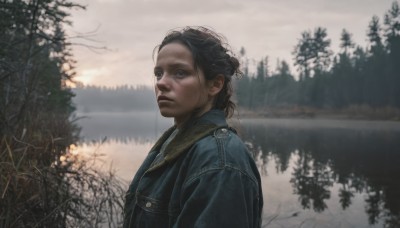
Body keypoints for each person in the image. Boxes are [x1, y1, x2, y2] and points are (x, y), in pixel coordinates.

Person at [123, 26, 263, 228]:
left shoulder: (220, 162)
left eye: (180, 73)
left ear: (214, 85)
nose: (161, 83)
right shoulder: (175, 140)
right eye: (159, 73)